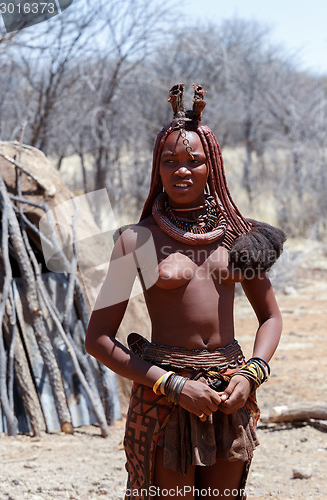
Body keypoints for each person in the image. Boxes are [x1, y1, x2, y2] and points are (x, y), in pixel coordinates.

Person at [85, 83, 286, 500]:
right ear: (156, 169)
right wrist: (173, 385)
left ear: (211, 166)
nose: (181, 170)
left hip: (228, 392)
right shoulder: (135, 241)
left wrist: (251, 375)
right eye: (169, 161)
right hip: (164, 397)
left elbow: (271, 317)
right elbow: (98, 340)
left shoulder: (238, 238)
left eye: (194, 161)